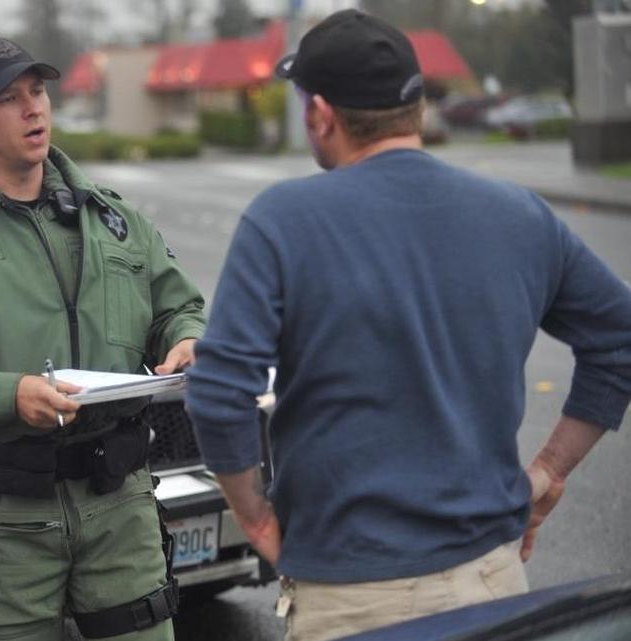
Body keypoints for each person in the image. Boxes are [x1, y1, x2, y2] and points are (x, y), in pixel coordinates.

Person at [184, 9, 631, 641]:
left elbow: (220, 387)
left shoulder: (284, 219)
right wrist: (549, 473)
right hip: (496, 589)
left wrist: (256, 521)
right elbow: (619, 337)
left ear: (320, 115)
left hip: (354, 602)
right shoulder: (520, 215)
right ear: (416, 107)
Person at [0, 37, 205, 641]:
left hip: (118, 503)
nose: (34, 110)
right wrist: (7, 395)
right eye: (9, 98)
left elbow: (176, 304)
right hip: (3, 515)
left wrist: (186, 338)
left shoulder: (110, 219)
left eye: (39, 92)